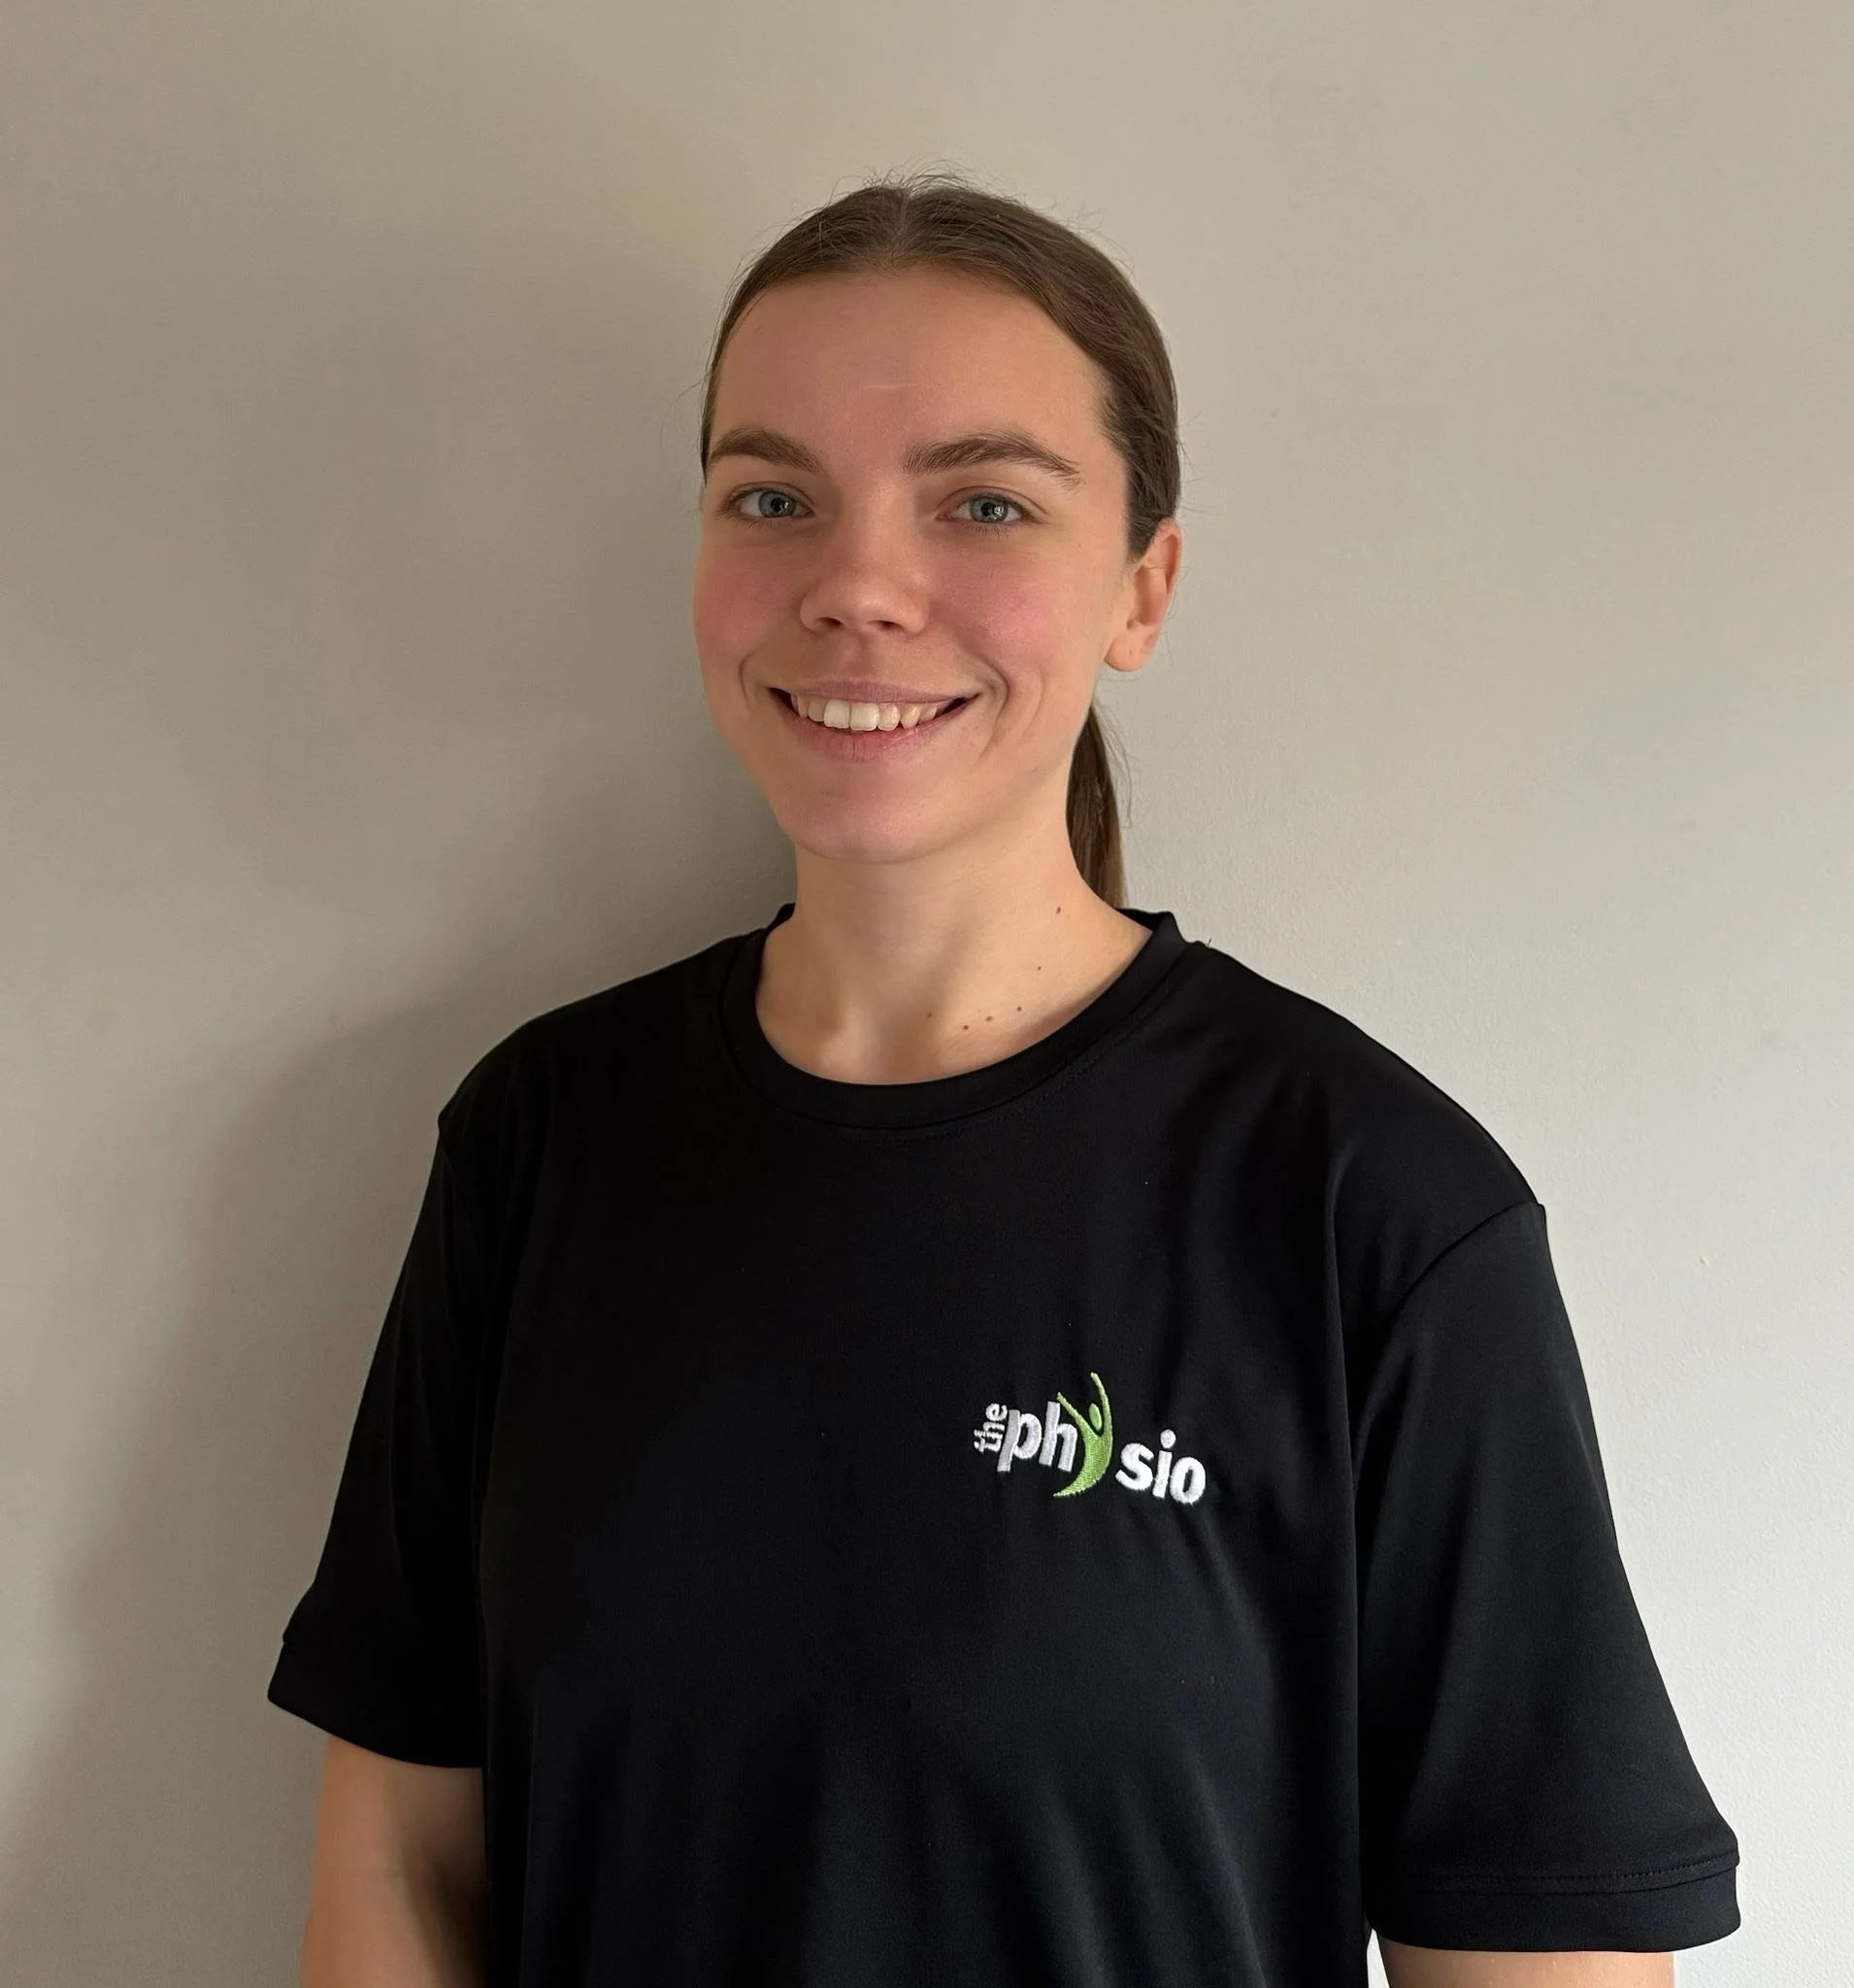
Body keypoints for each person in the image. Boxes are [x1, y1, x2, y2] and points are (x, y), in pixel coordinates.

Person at [266, 171, 1739, 1988]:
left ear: (1142, 585)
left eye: (980, 502)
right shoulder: (540, 1137)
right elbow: (401, 1859)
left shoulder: (1369, 1205)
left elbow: (1538, 1954)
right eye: (772, 496)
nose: (857, 587)